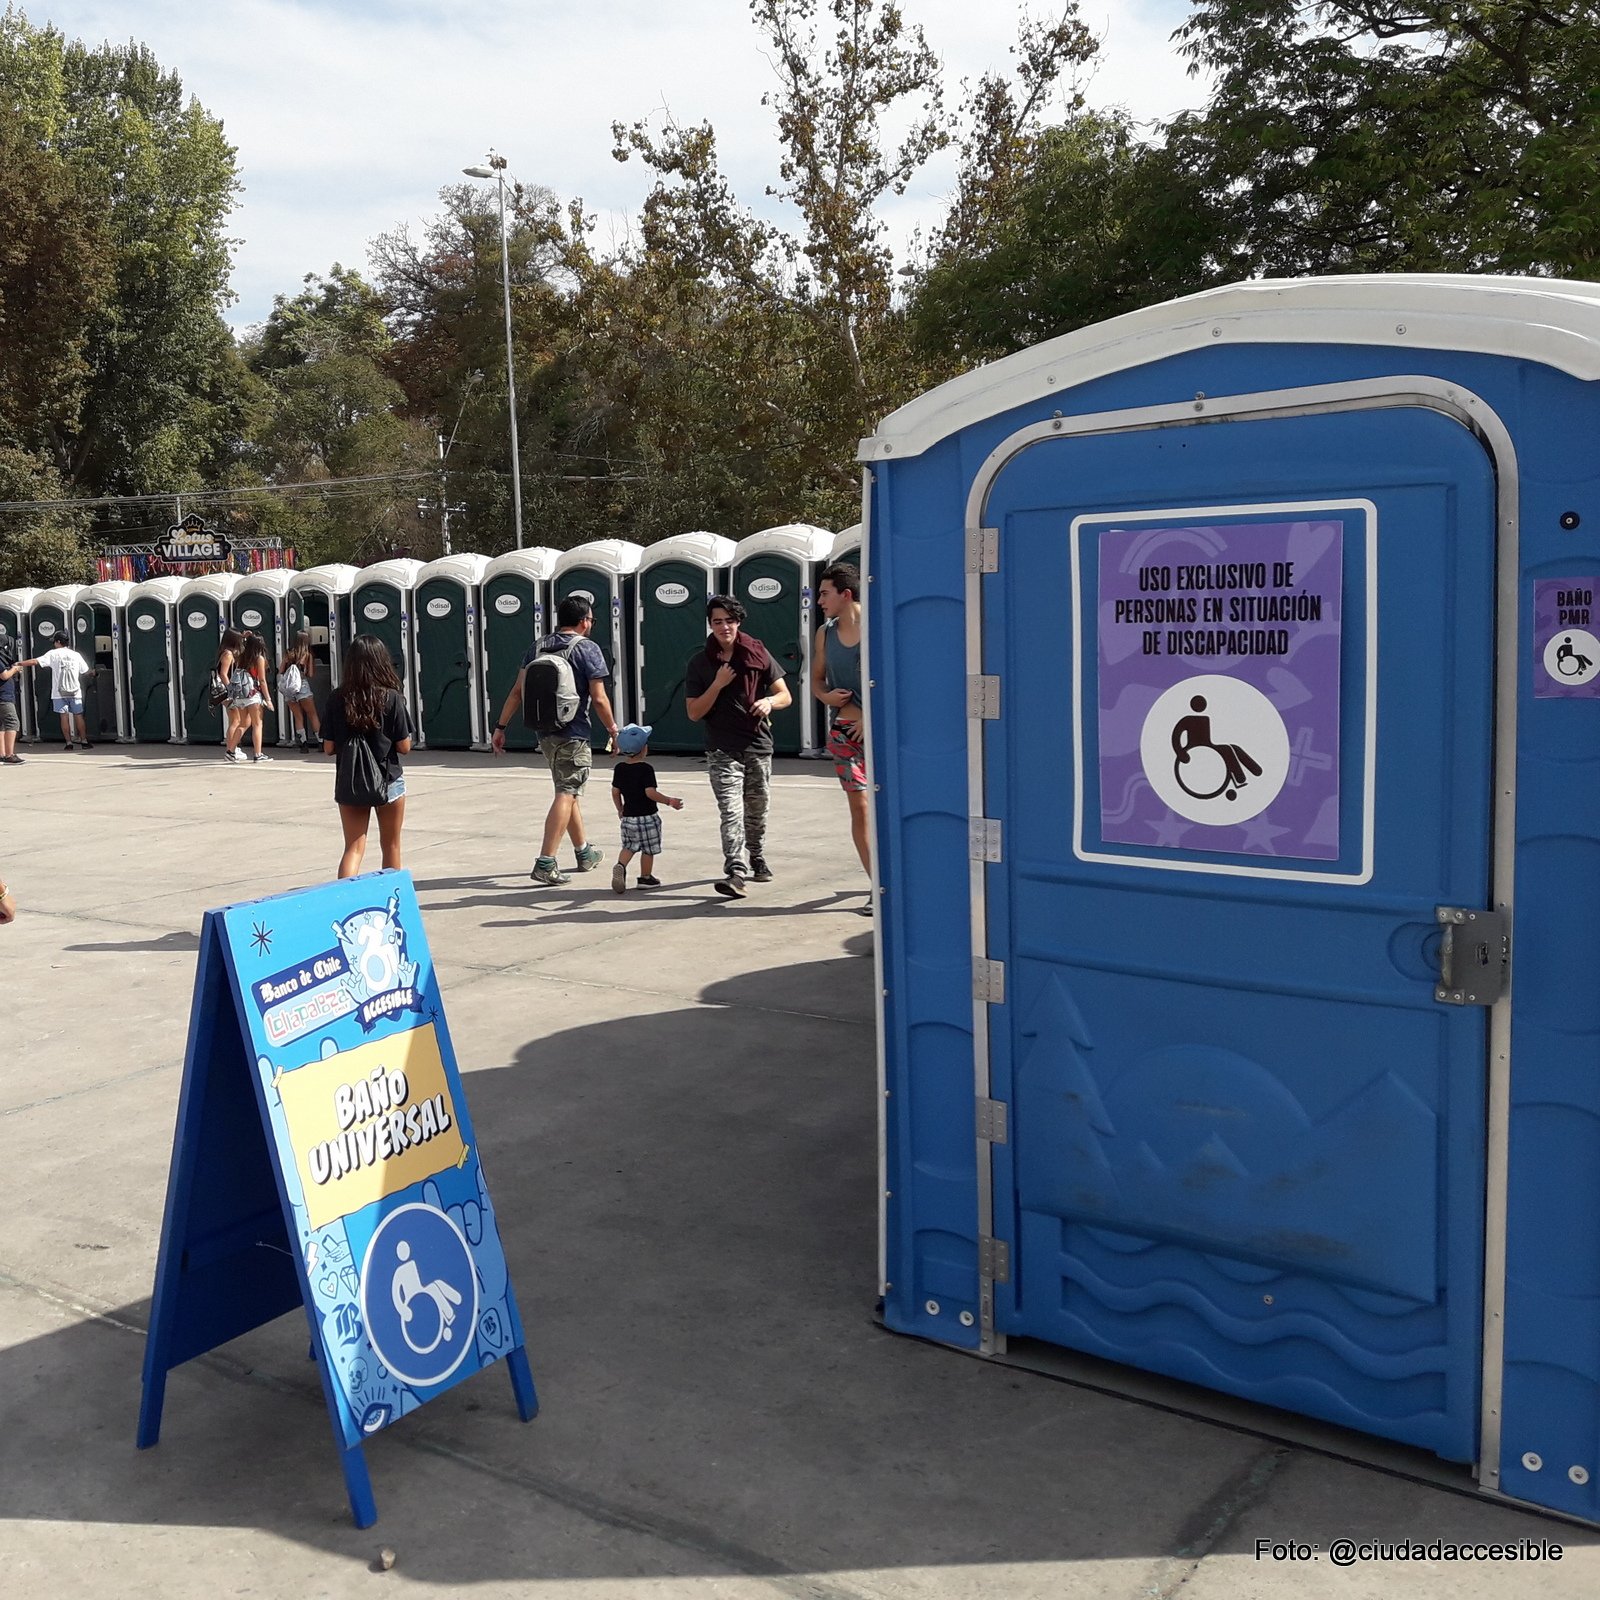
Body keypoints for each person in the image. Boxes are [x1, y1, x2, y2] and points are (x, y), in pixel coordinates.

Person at [490, 594, 619, 887]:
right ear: (585, 621)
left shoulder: (538, 647)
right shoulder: (588, 649)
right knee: (567, 792)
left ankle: (584, 852)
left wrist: (500, 727)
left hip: (544, 732)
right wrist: (613, 730)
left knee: (567, 789)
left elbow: (516, 691)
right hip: (573, 733)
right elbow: (598, 698)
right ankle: (545, 862)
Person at [684, 594, 791, 898]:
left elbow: (785, 695)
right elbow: (693, 713)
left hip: (757, 744)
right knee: (730, 811)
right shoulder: (700, 662)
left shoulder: (757, 653)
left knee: (756, 810)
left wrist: (769, 701)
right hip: (721, 748)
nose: (724, 627)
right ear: (710, 625)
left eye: (729, 621)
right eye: (717, 622)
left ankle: (756, 856)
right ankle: (736, 870)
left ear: (738, 622)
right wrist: (717, 684)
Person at [321, 635, 413, 879]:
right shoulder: (392, 698)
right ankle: (390, 900)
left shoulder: (336, 698)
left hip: (351, 781)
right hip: (389, 780)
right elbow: (404, 746)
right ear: (381, 662)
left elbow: (329, 747)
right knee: (391, 845)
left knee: (353, 847)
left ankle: (346, 900)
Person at [812, 561, 872, 910]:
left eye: (824, 593)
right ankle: (877, 887)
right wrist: (825, 696)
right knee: (860, 809)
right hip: (845, 736)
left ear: (845, 594)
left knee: (888, 811)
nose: (819, 600)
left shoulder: (878, 626)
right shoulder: (825, 633)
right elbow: (817, 680)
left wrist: (873, 718)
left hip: (884, 736)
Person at [609, 723, 684, 893]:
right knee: (648, 849)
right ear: (644, 749)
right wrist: (669, 801)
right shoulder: (646, 769)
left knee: (629, 846)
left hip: (628, 817)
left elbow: (615, 792)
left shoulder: (619, 768)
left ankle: (621, 865)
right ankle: (645, 877)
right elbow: (650, 793)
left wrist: (620, 809)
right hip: (647, 817)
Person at [8, 631, 92, 750]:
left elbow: (36, 661)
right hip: (75, 691)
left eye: (54, 642)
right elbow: (85, 671)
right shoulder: (76, 655)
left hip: (59, 692)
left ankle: (68, 743)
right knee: (78, 715)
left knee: (64, 716)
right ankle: (84, 741)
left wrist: (19, 663)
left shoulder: (53, 654)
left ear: (58, 642)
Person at [225, 631, 273, 764]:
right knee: (258, 724)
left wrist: (244, 637)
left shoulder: (241, 656)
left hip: (240, 696)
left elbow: (240, 644)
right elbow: (262, 680)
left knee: (243, 724)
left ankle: (230, 751)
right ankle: (258, 754)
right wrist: (268, 699)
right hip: (253, 695)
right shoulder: (259, 659)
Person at [279, 631, 322, 750]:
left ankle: (303, 744)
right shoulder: (307, 655)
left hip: (289, 688)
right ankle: (320, 742)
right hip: (302, 685)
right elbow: (311, 674)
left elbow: (281, 670)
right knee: (312, 714)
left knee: (298, 716)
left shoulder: (288, 653)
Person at [214, 628, 244, 761]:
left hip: (226, 692)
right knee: (236, 720)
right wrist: (231, 690)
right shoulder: (228, 654)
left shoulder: (225, 652)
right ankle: (230, 750)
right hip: (228, 693)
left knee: (234, 720)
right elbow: (223, 674)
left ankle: (233, 748)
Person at [0, 632, 23, 764]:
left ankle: (2, 754)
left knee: (1, 726)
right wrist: (14, 669)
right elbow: (4, 675)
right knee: (12, 722)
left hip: (4, 695)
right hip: (3, 697)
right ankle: (10, 754)